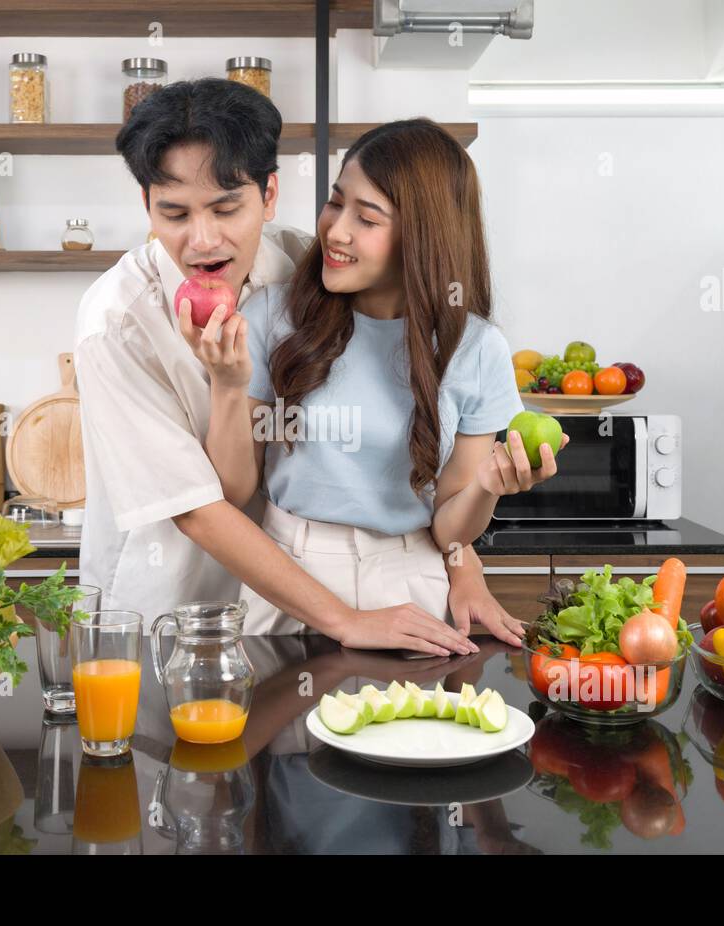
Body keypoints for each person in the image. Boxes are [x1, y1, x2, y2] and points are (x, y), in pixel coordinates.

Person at [74, 80, 526, 655]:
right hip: (165, 598)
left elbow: (404, 464)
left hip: (288, 592)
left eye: (225, 207)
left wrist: (463, 565)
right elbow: (201, 510)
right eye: (174, 213)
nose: (202, 239)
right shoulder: (113, 324)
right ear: (146, 207)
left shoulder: (303, 267)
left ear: (268, 197)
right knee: (171, 742)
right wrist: (344, 619)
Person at [185, 118, 565, 636]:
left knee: (407, 718)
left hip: (411, 584)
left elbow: (450, 530)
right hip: (288, 582)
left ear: (422, 236)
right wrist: (228, 387)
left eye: (367, 218)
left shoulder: (476, 349)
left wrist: (487, 487)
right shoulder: (274, 316)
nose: (336, 231)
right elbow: (231, 491)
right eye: (335, 202)